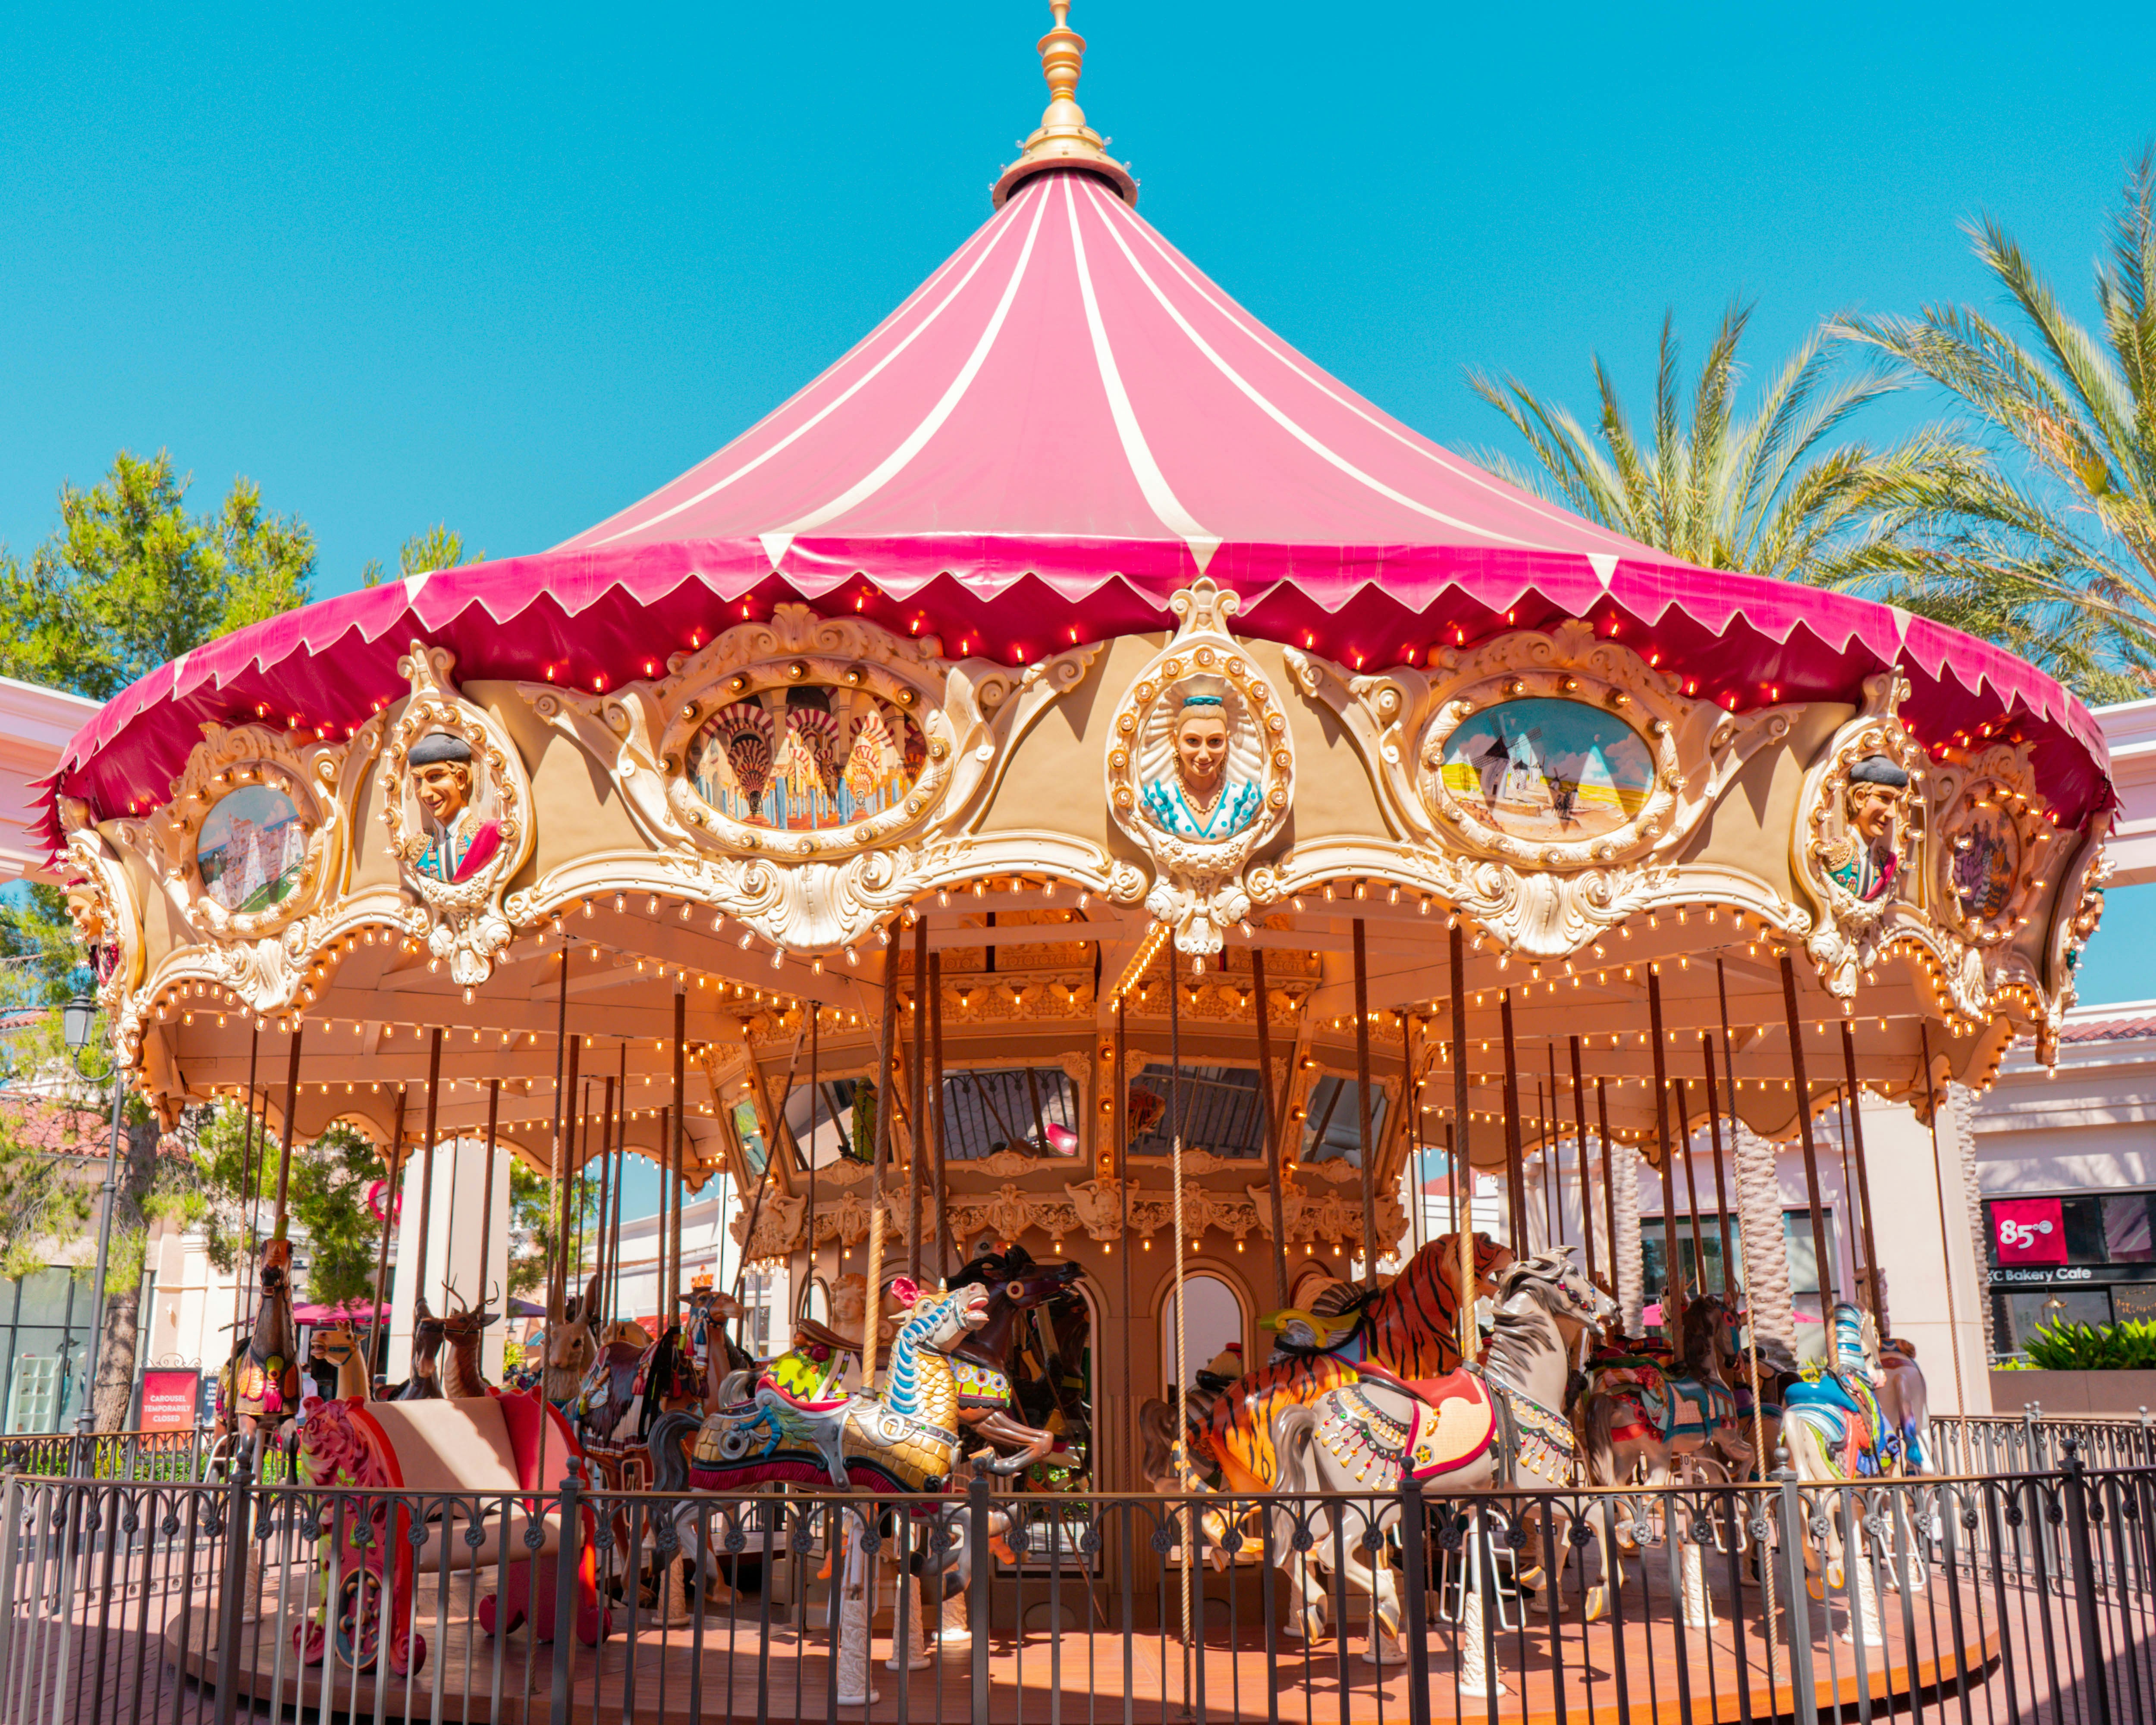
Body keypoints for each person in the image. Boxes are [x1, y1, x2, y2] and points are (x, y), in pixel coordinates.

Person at [1140, 679, 1261, 840]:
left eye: (1215, 742)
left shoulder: (1245, 801)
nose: (1204, 754)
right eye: (1192, 741)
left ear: (1227, 741)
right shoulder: (1158, 801)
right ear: (1176, 742)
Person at [400, 732, 502, 882]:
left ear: (461, 779)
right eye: (418, 781)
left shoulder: (487, 835)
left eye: (435, 777)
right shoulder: (418, 849)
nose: (425, 793)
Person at [1823, 753, 1909, 902]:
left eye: (1896, 802)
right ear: (1860, 798)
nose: (1893, 813)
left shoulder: (1885, 863)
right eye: (1884, 798)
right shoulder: (1833, 854)